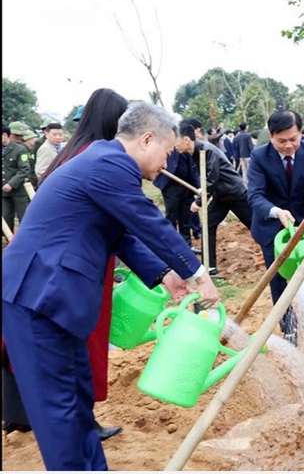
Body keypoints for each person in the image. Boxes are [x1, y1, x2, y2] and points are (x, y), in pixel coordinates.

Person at [2, 101, 219, 470]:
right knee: (59, 410)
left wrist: (165, 275)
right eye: (166, 153)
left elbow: (122, 236)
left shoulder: (104, 163)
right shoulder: (109, 163)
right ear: (147, 139)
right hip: (35, 297)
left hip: (58, 299)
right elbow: (149, 221)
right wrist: (198, 274)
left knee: (77, 399)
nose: (166, 165)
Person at [37, 88, 130, 441]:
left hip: (51, 262)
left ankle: (22, 415)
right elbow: (127, 221)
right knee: (84, 341)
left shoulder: (72, 153)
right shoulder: (100, 157)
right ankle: (82, 422)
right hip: (83, 265)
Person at [247, 109, 304, 347]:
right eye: (281, 141)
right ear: (271, 135)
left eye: (293, 139)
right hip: (271, 227)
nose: (288, 145)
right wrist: (276, 212)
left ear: (301, 133)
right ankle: (289, 330)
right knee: (278, 278)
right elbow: (254, 196)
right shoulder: (259, 157)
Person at [186, 123, 253, 276]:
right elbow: (208, 178)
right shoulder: (195, 152)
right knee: (208, 224)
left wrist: (198, 202)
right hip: (221, 195)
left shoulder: (207, 151)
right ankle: (209, 266)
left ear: (185, 139)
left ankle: (277, 253)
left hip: (235, 193)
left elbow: (212, 178)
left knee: (254, 224)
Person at [153, 124, 202, 253]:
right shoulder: (168, 146)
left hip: (187, 186)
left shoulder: (187, 149)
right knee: (172, 216)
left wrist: (199, 188)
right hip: (171, 187)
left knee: (185, 218)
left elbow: (193, 168)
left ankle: (187, 246)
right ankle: (172, 247)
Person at [2, 124, 30, 235]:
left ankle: (25, 238)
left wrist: (11, 184)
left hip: (18, 191)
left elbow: (24, 169)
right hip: (4, 192)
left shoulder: (20, 149)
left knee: (23, 216)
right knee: (6, 216)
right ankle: (9, 239)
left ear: (5, 135)